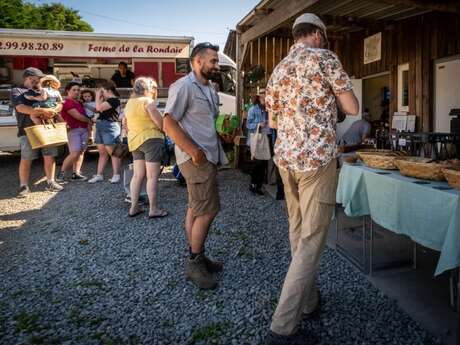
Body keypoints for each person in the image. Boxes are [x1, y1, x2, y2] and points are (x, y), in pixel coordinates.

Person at [264, 13, 359, 345]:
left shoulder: (278, 69)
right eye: (325, 36)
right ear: (318, 34)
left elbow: (273, 120)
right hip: (316, 159)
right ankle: (282, 327)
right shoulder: (325, 58)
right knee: (312, 239)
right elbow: (354, 107)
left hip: (286, 160)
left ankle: (309, 301)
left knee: (297, 230)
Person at [163, 42, 227, 290]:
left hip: (208, 155)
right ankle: (194, 263)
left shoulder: (209, 88)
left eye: (216, 61)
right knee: (207, 211)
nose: (216, 65)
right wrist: (193, 152)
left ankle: (198, 255)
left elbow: (206, 122)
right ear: (197, 61)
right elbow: (169, 123)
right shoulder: (183, 86)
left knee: (195, 208)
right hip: (196, 159)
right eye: (212, 61)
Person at [12, 67, 64, 197]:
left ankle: (50, 181)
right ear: (28, 78)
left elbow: (59, 103)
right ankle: (23, 186)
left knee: (50, 156)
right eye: (37, 78)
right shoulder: (17, 91)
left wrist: (54, 110)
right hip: (28, 130)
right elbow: (21, 108)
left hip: (48, 128)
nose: (40, 80)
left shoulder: (45, 90)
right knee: (26, 158)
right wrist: (43, 111)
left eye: (40, 78)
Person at [124, 77, 168, 218]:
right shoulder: (148, 102)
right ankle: (153, 209)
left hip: (135, 141)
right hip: (151, 140)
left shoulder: (129, 103)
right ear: (148, 89)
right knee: (152, 177)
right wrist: (166, 131)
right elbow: (160, 122)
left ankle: (134, 207)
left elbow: (125, 124)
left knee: (137, 175)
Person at [56, 82, 92, 182]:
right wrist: (89, 120)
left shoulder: (79, 102)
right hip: (73, 130)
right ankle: (61, 174)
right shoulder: (67, 102)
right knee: (75, 152)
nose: (77, 92)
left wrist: (89, 131)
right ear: (68, 91)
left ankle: (76, 173)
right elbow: (78, 116)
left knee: (81, 152)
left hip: (84, 130)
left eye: (78, 90)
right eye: (74, 90)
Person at [88, 83, 122, 184]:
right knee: (102, 153)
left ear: (108, 91)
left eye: (102, 91)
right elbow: (98, 109)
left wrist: (98, 96)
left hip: (110, 126)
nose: (100, 93)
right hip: (101, 126)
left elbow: (98, 108)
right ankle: (99, 174)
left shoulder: (114, 100)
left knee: (114, 153)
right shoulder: (107, 101)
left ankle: (116, 174)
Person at [246, 94, 271, 195]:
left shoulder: (267, 110)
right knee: (257, 163)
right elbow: (248, 125)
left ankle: (259, 186)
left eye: (266, 97)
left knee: (264, 162)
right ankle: (253, 184)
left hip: (265, 138)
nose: (265, 99)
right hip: (256, 139)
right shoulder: (252, 109)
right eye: (263, 97)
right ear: (258, 98)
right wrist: (258, 125)